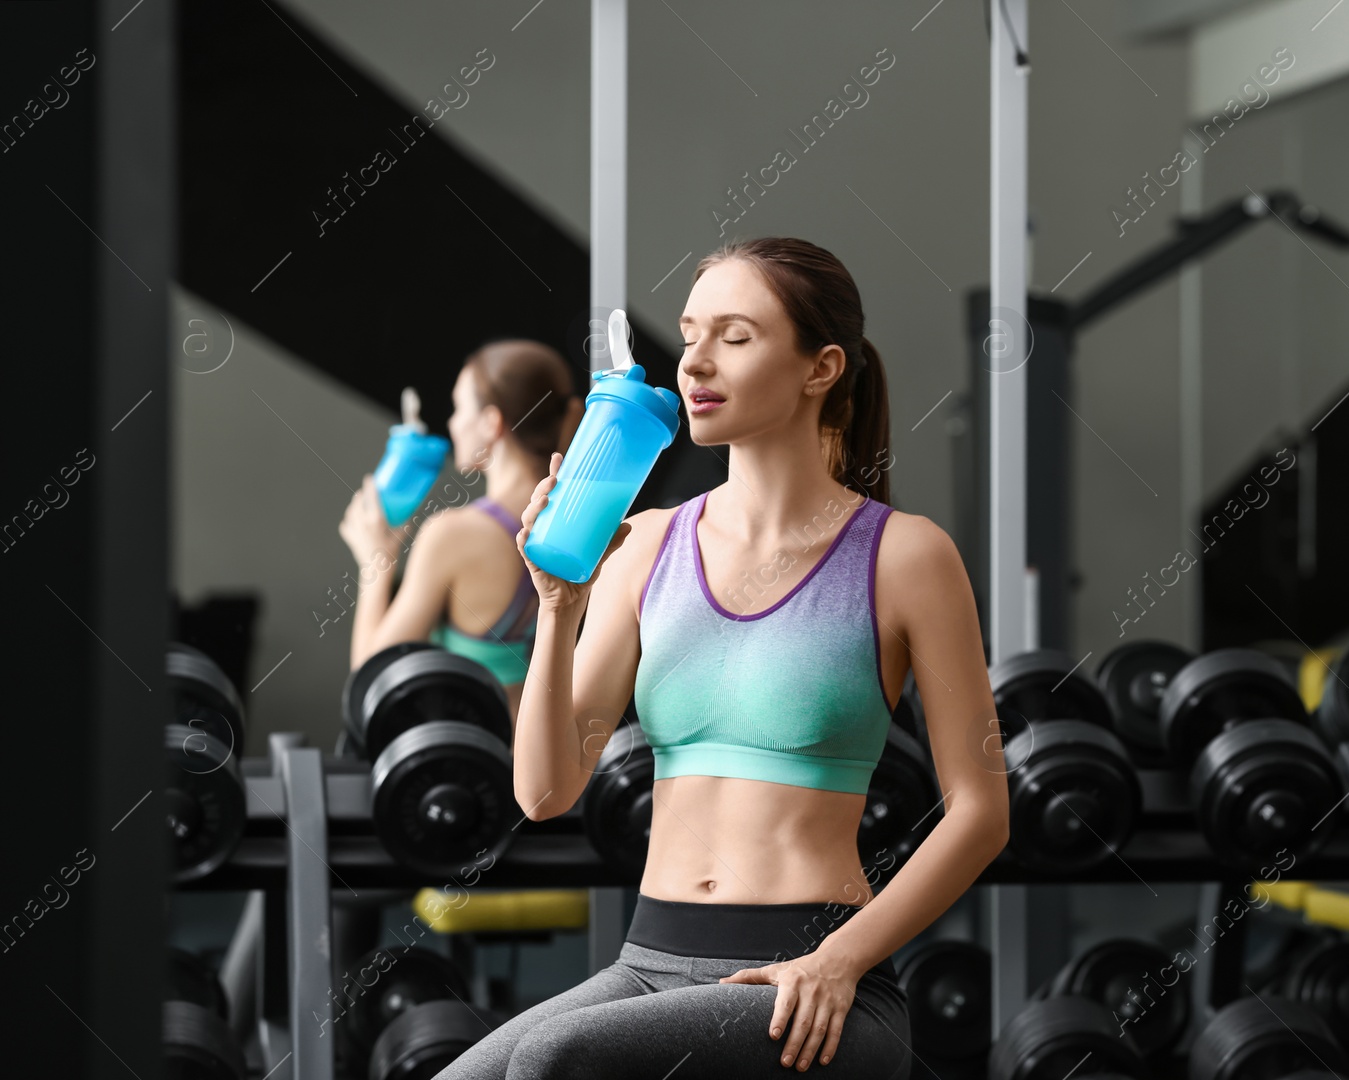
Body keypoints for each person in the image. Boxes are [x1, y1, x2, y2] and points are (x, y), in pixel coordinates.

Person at [437, 237, 1009, 1079]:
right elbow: (545, 791)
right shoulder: (645, 545)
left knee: (556, 1062)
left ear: (821, 369)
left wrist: (839, 960)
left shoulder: (905, 558)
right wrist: (558, 609)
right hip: (648, 961)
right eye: (690, 333)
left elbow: (981, 811)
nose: (695, 361)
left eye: (735, 337)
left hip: (809, 981)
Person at [339, 340, 583, 721]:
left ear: (491, 422)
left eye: (458, 408)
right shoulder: (584, 525)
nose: (451, 423)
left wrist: (376, 563)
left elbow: (371, 682)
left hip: (472, 765)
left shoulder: (454, 534)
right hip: (542, 762)